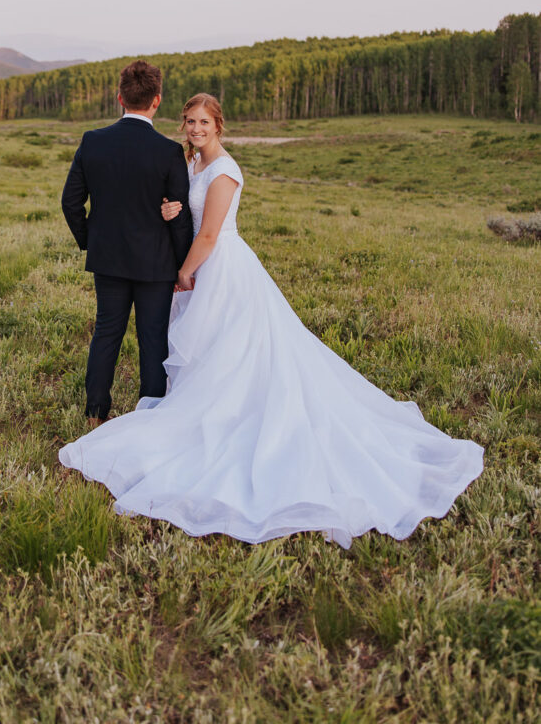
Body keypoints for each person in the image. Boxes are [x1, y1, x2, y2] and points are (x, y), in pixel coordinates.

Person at [59, 93, 484, 547]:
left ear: (219, 125)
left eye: (204, 122)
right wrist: (171, 211)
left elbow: (209, 233)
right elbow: (181, 209)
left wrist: (183, 272)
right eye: (189, 121)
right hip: (200, 266)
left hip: (219, 267)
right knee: (207, 350)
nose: (196, 129)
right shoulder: (192, 164)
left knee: (235, 351)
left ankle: (232, 418)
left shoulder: (224, 170)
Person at [61, 60, 193, 427]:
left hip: (108, 259)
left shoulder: (93, 141)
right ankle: (149, 420)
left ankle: (95, 414)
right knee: (153, 339)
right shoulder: (168, 151)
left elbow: (70, 203)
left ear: (120, 98)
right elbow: (179, 216)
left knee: (106, 333)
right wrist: (182, 265)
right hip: (156, 263)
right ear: (157, 101)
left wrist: (92, 241)